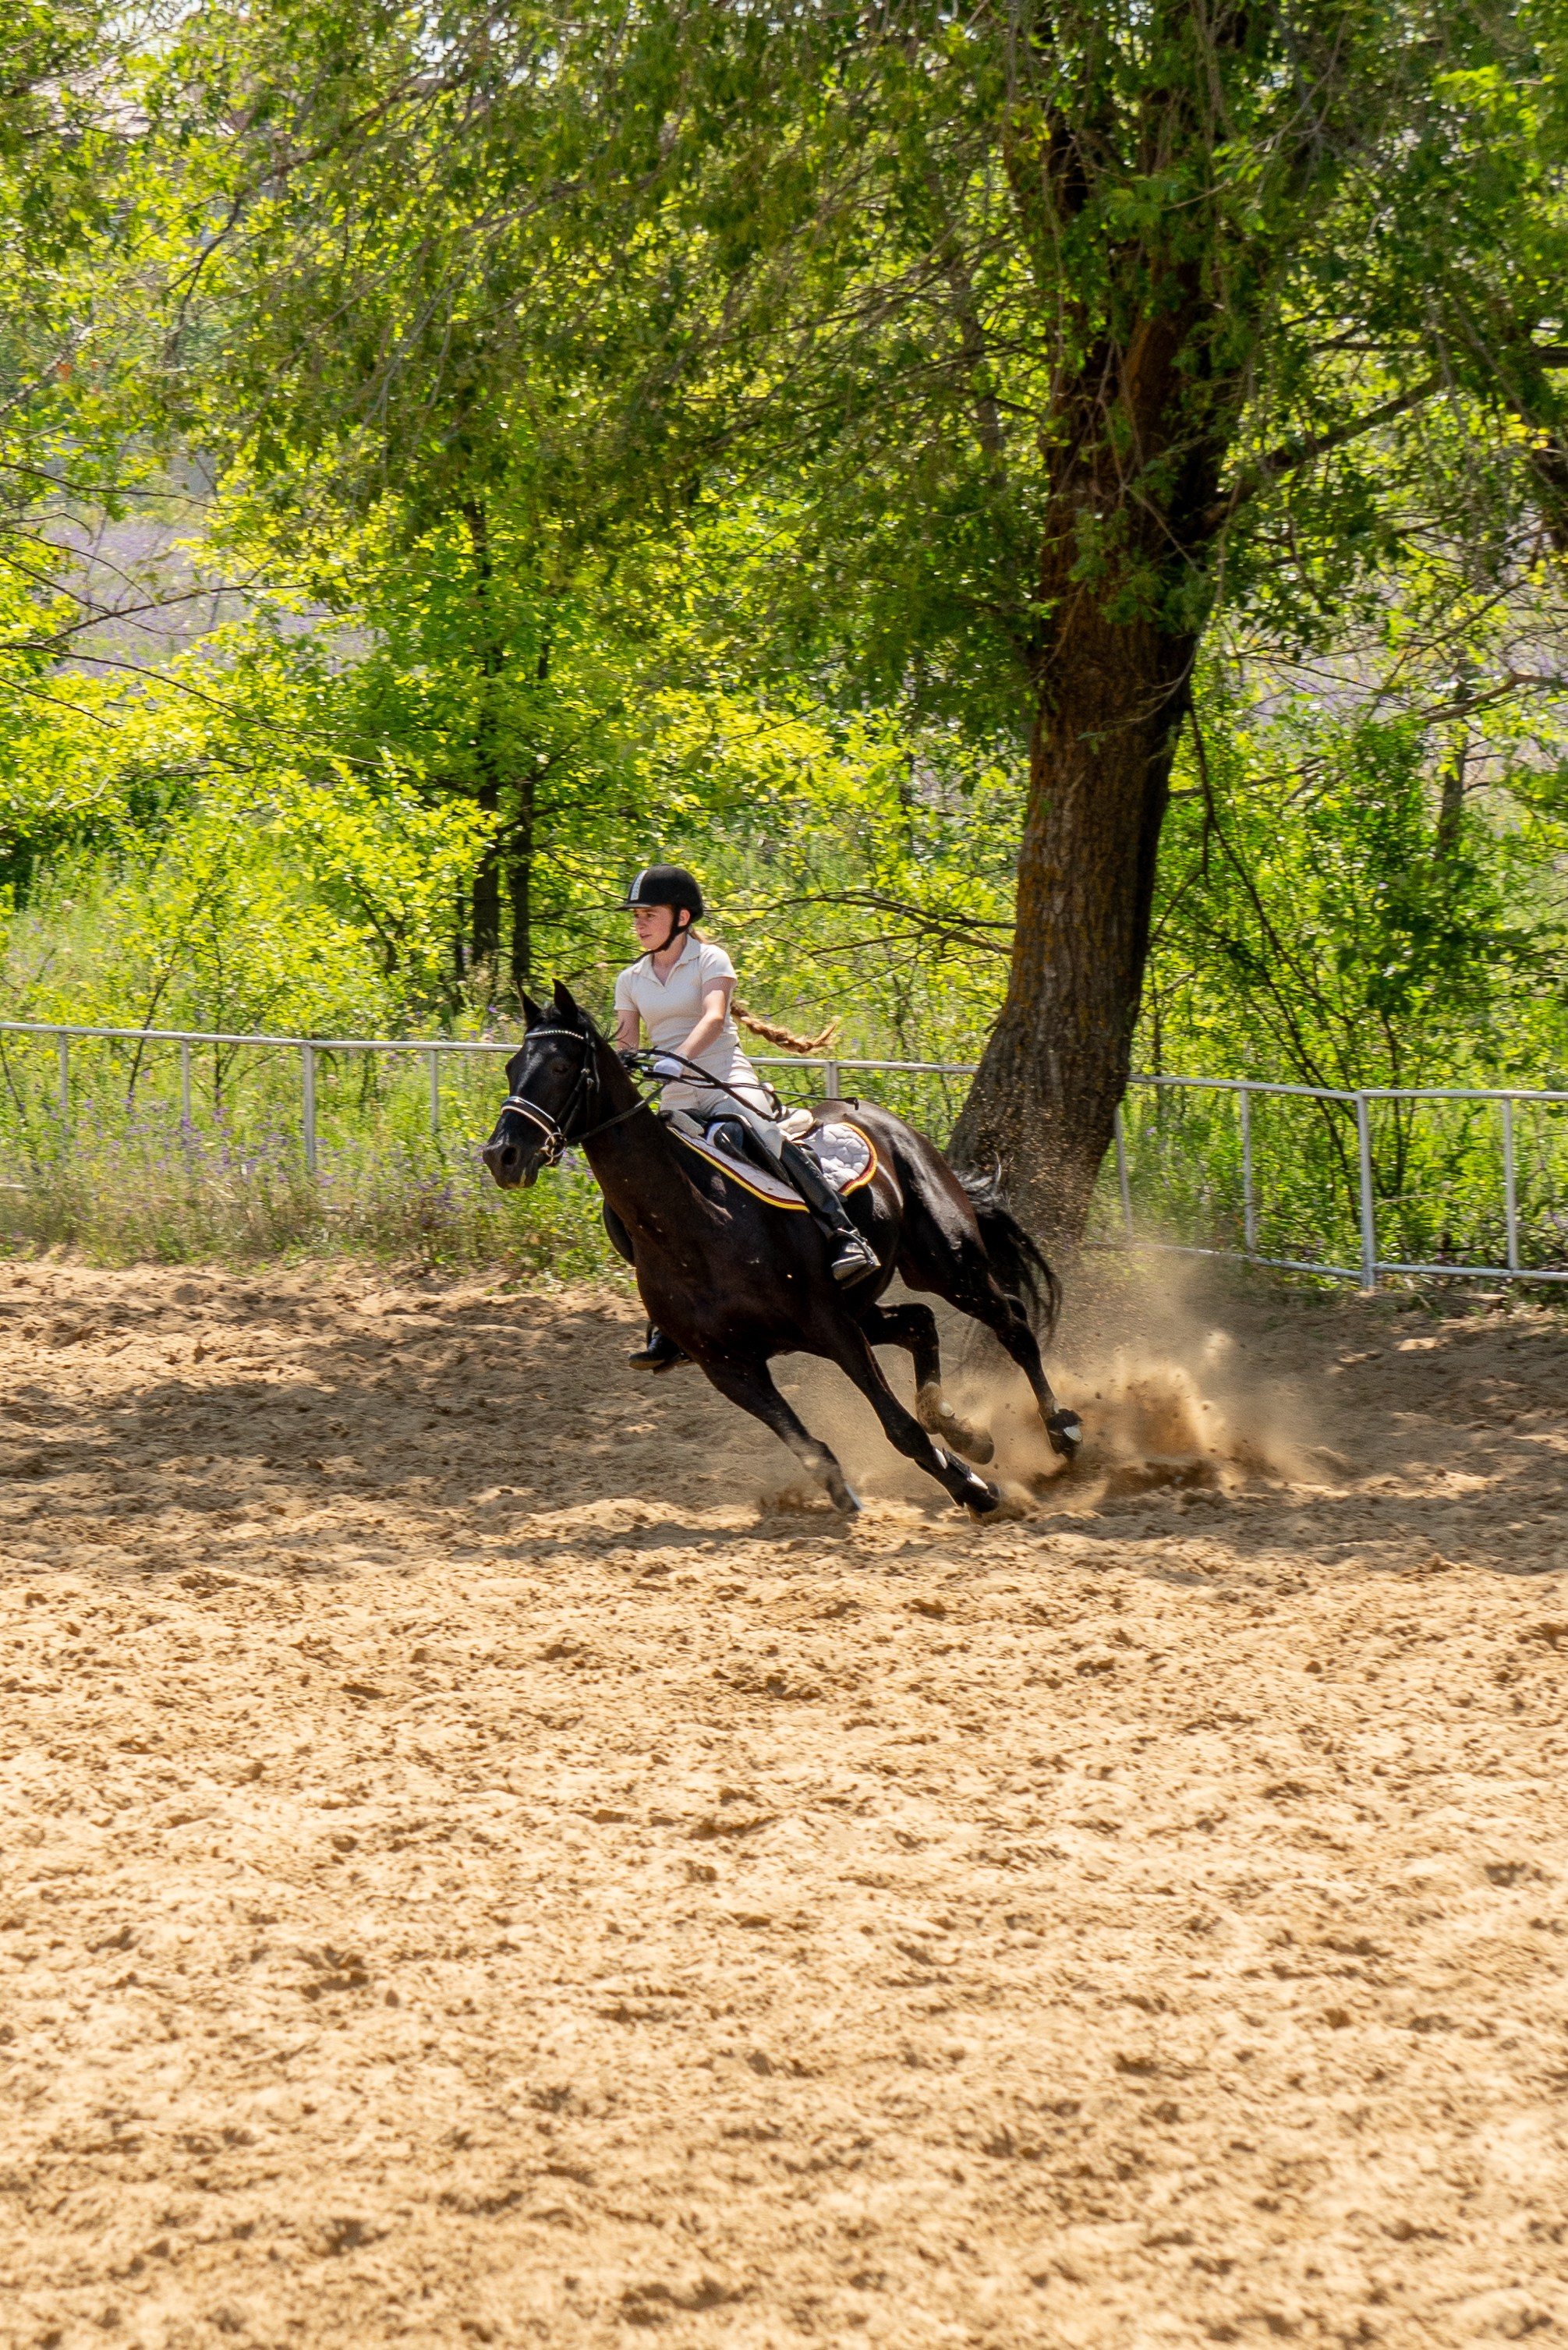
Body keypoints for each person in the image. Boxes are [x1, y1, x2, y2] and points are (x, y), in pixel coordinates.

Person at [612, 864, 880, 1368]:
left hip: (723, 1080)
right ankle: (667, 1312)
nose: (639, 923)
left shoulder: (710, 959)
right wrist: (626, 1060)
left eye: (649, 914)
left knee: (757, 1134)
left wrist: (678, 1059)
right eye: (636, 916)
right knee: (638, 1189)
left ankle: (842, 1234)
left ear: (682, 917)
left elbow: (714, 1017)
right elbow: (626, 1037)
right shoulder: (630, 979)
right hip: (676, 1096)